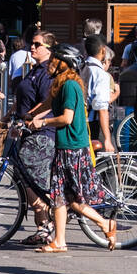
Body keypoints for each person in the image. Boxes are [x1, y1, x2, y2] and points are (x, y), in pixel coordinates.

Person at [28, 44, 114, 252]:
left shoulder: (69, 86)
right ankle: (64, 239)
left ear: (64, 64)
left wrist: (43, 123)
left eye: (54, 60)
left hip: (72, 148)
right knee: (63, 196)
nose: (50, 63)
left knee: (64, 195)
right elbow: (47, 104)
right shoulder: (61, 83)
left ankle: (96, 226)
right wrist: (29, 116)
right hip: (66, 146)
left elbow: (67, 118)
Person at [13, 31, 58, 247]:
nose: (32, 47)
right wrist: (7, 116)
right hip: (28, 130)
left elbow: (46, 104)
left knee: (26, 174)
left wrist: (30, 119)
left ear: (48, 48)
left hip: (42, 133)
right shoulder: (34, 70)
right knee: (26, 177)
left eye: (37, 44)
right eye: (31, 43)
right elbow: (23, 97)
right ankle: (42, 228)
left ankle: (46, 216)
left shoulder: (48, 73)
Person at [82, 35, 116, 152]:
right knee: (108, 165)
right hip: (93, 125)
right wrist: (107, 139)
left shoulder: (79, 68)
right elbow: (101, 108)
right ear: (103, 50)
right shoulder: (101, 74)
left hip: (77, 122)